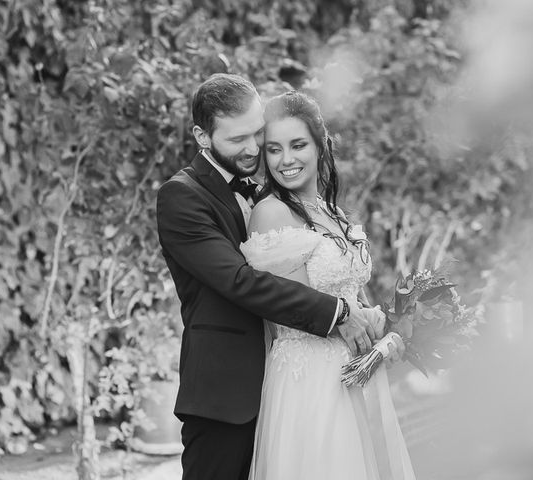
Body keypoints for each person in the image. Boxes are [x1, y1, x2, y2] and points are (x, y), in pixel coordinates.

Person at [156, 74, 384, 480]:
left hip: (291, 383)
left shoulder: (269, 192)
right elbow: (239, 281)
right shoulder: (182, 196)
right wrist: (339, 312)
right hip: (226, 396)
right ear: (201, 136)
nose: (253, 148)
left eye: (257, 133)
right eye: (237, 139)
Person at [241, 91, 416, 480]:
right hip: (311, 379)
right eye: (274, 149)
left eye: (298, 145)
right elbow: (293, 308)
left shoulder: (333, 212)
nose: (286, 160)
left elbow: (351, 298)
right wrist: (362, 320)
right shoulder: (271, 213)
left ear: (320, 146)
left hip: (354, 368)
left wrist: (390, 326)